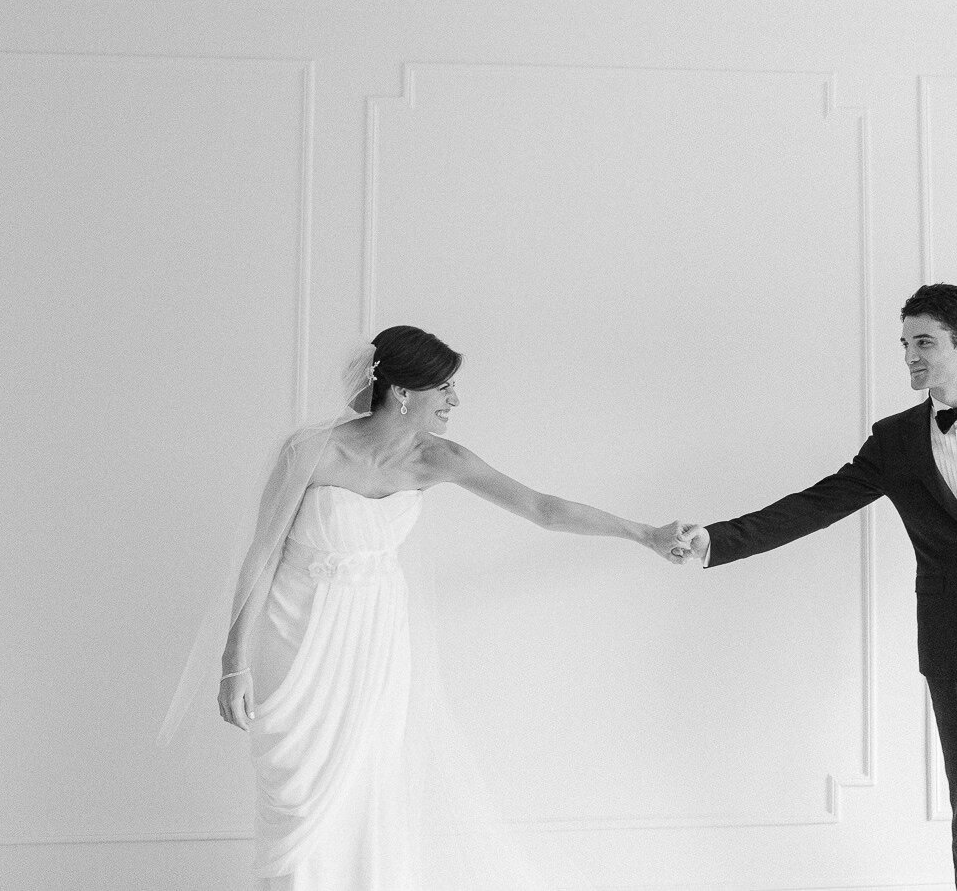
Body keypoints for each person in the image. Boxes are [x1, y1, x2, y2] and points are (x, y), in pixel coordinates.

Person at [206, 324, 688, 890]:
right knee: (298, 788)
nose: (455, 402)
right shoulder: (312, 451)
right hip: (295, 628)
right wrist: (233, 662)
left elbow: (542, 508)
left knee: (367, 784)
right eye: (445, 389)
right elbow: (261, 558)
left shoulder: (441, 460)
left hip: (373, 636)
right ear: (402, 393)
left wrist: (646, 534)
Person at [675, 284, 957, 891]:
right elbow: (817, 504)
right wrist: (719, 539)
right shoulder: (896, 441)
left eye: (923, 343)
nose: (909, 357)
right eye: (905, 345)